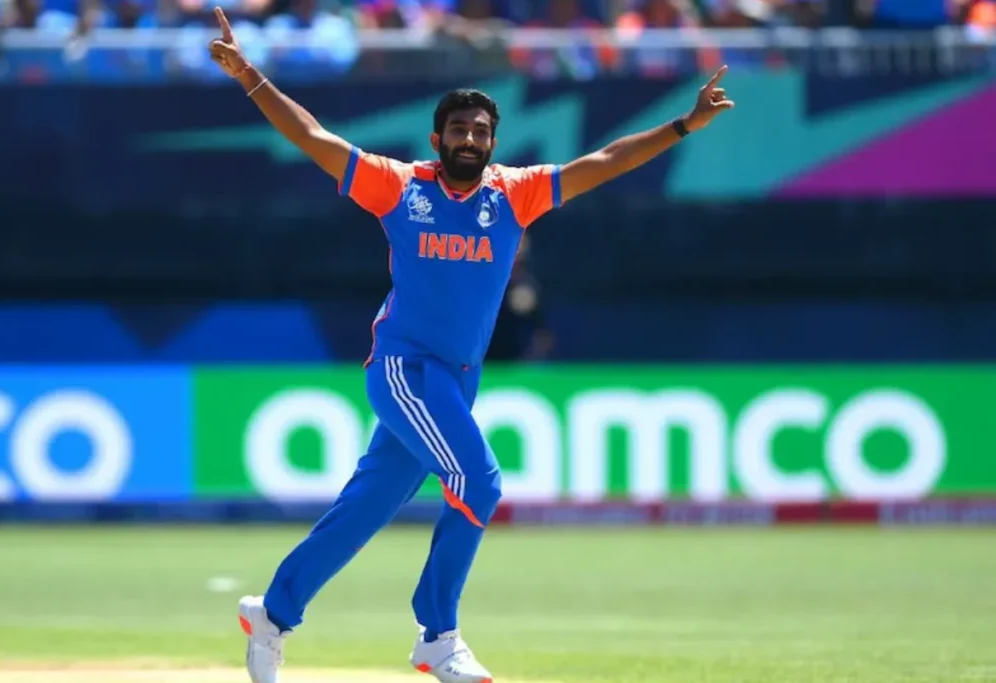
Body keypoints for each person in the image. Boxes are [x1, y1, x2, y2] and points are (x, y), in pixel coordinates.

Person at [207, 7, 734, 682]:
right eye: (458, 129)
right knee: (477, 481)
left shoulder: (514, 195)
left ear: (493, 142)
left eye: (481, 131)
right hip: (405, 370)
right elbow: (312, 136)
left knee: (364, 510)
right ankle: (437, 633)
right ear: (438, 139)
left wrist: (683, 125)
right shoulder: (400, 186)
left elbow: (605, 161)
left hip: (455, 379)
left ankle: (273, 612)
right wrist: (249, 76)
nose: (470, 139)